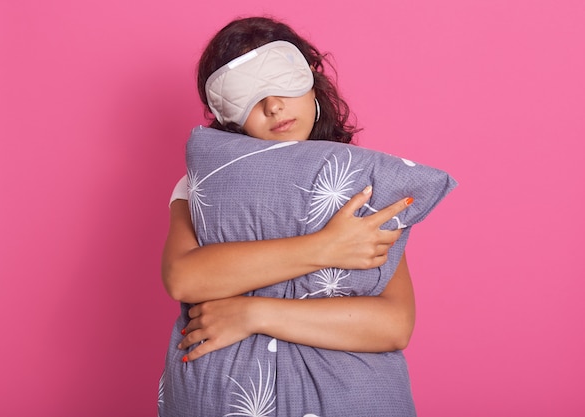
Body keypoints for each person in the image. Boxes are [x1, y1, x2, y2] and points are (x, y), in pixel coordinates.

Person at [159, 16, 417, 417]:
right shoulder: (201, 187)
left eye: (281, 80)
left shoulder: (354, 185)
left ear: (312, 81)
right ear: (225, 115)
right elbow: (184, 278)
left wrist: (254, 313)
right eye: (248, 94)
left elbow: (394, 323)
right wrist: (326, 246)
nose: (273, 105)